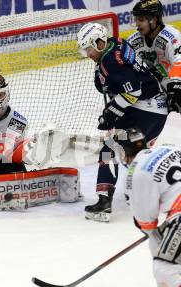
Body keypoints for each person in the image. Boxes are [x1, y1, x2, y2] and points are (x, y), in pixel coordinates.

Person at [76, 22, 168, 222]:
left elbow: (132, 90)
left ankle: (103, 203)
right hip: (153, 108)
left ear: (100, 43)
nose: (89, 53)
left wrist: (110, 113)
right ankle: (158, 191)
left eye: (90, 48)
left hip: (147, 108)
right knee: (133, 153)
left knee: (110, 148)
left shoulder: (110, 61)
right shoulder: (115, 44)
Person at [115, 128, 181, 287]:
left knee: (164, 269)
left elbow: (147, 225)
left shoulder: (134, 173)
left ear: (123, 154)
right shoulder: (169, 147)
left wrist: (160, 251)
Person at [128, 0, 181, 112]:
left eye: (141, 20)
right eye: (136, 19)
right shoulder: (133, 41)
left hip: (174, 85)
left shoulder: (172, 37)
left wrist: (175, 86)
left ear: (154, 20)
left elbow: (179, 62)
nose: (137, 23)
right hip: (154, 91)